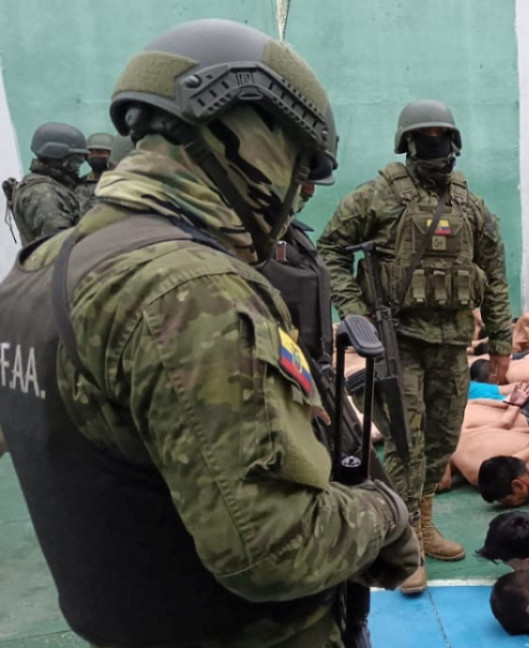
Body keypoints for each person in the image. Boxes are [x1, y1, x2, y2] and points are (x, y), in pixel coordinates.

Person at [0, 18, 419, 648]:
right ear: (244, 136)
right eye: (298, 166)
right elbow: (273, 550)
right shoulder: (188, 290)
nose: (299, 193)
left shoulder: (39, 269)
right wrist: (386, 514)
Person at [318, 99, 513, 593]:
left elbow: (493, 271)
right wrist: (355, 308)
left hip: (452, 343)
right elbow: (330, 250)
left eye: (441, 138)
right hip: (398, 341)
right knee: (406, 442)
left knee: (443, 440)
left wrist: (501, 341)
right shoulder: (378, 197)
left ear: (455, 142)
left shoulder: (471, 206)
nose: (434, 147)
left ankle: (423, 522)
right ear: (406, 144)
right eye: (423, 138)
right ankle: (406, 547)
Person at [8, 121, 87, 245]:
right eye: (75, 161)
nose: (77, 168)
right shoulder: (43, 193)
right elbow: (58, 246)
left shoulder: (50, 186)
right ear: (58, 156)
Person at [74, 132, 115, 210]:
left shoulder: (121, 183)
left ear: (112, 155)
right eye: (90, 152)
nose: (93, 156)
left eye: (99, 152)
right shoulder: (79, 182)